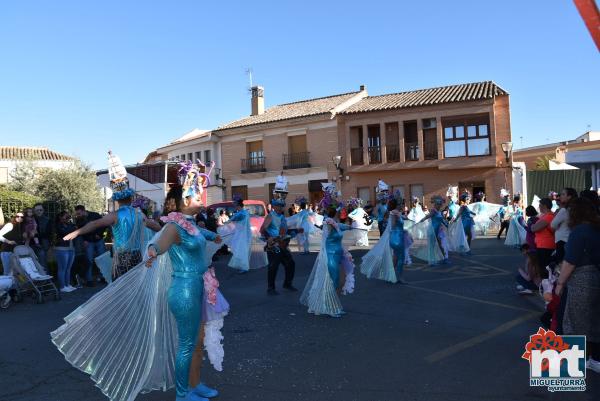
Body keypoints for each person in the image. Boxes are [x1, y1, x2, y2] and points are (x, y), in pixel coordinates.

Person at [51, 160, 228, 401]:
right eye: (197, 195)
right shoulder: (173, 226)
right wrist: (153, 250)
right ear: (186, 200)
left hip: (196, 285)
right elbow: (160, 238)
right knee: (187, 343)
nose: (201, 199)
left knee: (197, 341)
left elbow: (199, 233)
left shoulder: (190, 226)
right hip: (183, 288)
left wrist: (219, 236)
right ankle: (183, 393)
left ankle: (194, 384)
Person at [65, 151, 161, 282]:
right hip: (137, 255)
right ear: (131, 197)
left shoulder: (115, 215)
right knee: (134, 285)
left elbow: (94, 224)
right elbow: (155, 226)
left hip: (122, 257)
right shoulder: (140, 214)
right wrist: (164, 231)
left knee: (120, 287)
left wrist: (76, 232)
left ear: (116, 200)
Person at [554, 197, 600, 374]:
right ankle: (595, 359)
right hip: (597, 277)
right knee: (594, 321)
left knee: (572, 321)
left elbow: (570, 261)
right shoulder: (596, 229)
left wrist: (560, 283)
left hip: (582, 280)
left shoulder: (580, 231)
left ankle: (571, 366)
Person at [301, 201, 354, 317]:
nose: (342, 213)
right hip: (331, 255)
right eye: (341, 211)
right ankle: (330, 307)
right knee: (334, 281)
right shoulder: (329, 223)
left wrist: (350, 227)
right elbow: (327, 229)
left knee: (341, 280)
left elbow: (340, 227)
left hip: (338, 254)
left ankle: (335, 305)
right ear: (337, 212)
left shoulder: (335, 223)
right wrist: (327, 222)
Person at [260, 174, 298, 295]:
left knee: (290, 263)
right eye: (279, 206)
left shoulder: (281, 216)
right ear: (275, 206)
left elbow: (284, 230)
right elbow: (262, 229)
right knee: (273, 266)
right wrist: (269, 238)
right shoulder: (271, 216)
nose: (281, 207)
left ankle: (287, 284)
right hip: (273, 245)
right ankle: (270, 288)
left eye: (282, 205)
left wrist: (293, 231)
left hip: (282, 244)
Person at [550, 188, 577, 263]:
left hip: (562, 240)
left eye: (563, 194)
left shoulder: (564, 210)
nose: (560, 196)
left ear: (569, 196)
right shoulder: (574, 209)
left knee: (561, 263)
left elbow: (553, 225)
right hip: (572, 239)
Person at [531, 198, 555, 278]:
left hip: (546, 246)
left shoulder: (549, 217)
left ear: (544, 206)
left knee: (544, 269)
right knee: (542, 268)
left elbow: (534, 228)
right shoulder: (544, 216)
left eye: (540, 205)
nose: (539, 207)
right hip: (542, 245)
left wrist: (533, 226)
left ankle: (546, 288)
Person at [54, 211, 77, 293]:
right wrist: (73, 226)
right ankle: (62, 286)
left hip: (70, 248)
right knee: (62, 268)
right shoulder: (57, 225)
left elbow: (74, 230)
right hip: (61, 248)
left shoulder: (69, 225)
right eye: (66, 217)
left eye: (68, 217)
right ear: (60, 217)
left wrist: (72, 225)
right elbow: (65, 232)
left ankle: (67, 284)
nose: (68, 218)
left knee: (68, 268)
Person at [33, 203, 51, 269]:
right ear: (34, 211)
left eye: (40, 210)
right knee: (32, 265)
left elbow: (48, 233)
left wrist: (37, 234)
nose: (39, 211)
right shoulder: (31, 219)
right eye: (37, 210)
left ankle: (45, 279)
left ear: (43, 210)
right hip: (31, 245)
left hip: (42, 245)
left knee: (43, 264)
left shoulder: (47, 220)